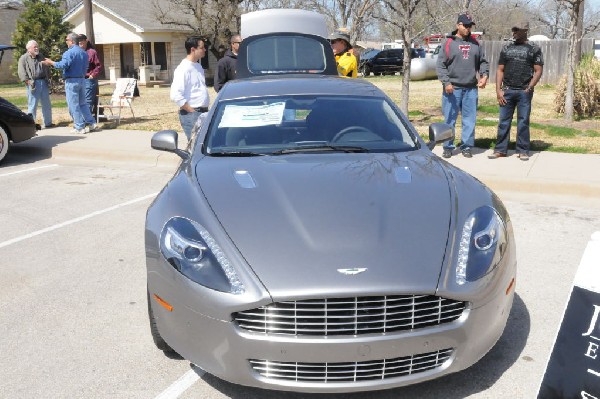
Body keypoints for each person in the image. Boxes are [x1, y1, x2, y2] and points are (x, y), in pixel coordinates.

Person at [436, 13, 489, 159]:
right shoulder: (448, 43)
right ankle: (447, 146)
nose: (467, 28)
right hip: (452, 88)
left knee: (469, 119)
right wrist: (446, 82)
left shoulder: (476, 44)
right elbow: (440, 65)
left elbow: (483, 62)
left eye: (469, 26)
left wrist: (484, 76)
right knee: (449, 120)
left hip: (471, 88)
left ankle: (466, 146)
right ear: (457, 25)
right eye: (465, 25)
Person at [489, 21, 544, 161]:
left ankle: (523, 150)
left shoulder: (533, 48)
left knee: (523, 121)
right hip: (507, 91)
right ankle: (500, 150)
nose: (514, 32)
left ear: (525, 31)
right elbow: (500, 70)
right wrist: (498, 91)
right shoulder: (506, 48)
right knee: (503, 122)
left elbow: (538, 71)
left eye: (517, 30)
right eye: (513, 30)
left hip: (524, 92)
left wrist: (530, 87)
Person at [43, 32, 97, 134]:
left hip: (71, 80)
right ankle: (91, 123)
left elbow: (63, 65)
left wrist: (51, 62)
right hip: (82, 79)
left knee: (73, 105)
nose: (66, 42)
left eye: (67, 40)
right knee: (83, 104)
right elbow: (86, 67)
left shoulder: (69, 53)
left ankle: (79, 126)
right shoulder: (84, 53)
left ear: (71, 41)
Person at [170, 36, 210, 140]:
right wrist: (192, 111)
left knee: (204, 144)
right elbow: (175, 95)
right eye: (202, 47)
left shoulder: (198, 66)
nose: (205, 49)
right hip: (192, 114)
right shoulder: (183, 69)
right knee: (195, 145)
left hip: (203, 112)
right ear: (193, 49)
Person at [17, 40, 53, 128]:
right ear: (29, 49)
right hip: (33, 83)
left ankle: (48, 123)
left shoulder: (41, 56)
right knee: (32, 105)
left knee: (46, 104)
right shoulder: (23, 58)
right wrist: (27, 82)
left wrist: (48, 77)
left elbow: (46, 67)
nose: (37, 48)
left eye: (37, 46)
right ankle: (31, 125)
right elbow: (21, 72)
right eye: (34, 47)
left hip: (43, 82)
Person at [77, 34, 102, 118]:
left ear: (86, 41)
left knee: (87, 101)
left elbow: (98, 66)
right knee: (80, 100)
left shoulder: (92, 52)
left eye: (82, 40)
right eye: (78, 40)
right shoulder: (76, 52)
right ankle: (84, 118)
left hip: (88, 80)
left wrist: (93, 75)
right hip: (78, 79)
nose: (80, 41)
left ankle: (85, 120)